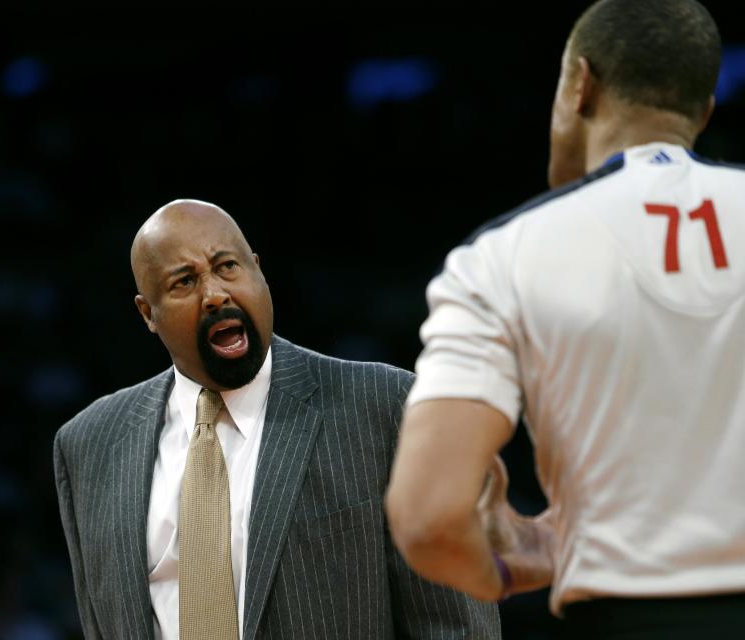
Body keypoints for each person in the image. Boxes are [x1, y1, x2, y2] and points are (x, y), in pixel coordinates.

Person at [384, 0, 745, 638]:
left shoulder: (500, 256)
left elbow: (427, 516)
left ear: (580, 85)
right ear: (703, 111)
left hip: (625, 619)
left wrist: (508, 567)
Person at [53, 199, 500, 639]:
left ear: (258, 271)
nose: (215, 294)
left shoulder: (385, 407)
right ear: (147, 313)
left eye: (227, 266)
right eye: (185, 281)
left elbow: (454, 626)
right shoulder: (90, 446)